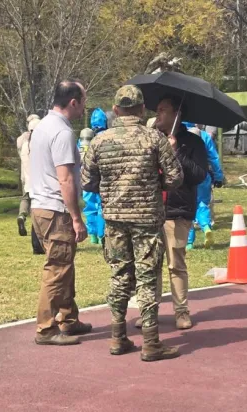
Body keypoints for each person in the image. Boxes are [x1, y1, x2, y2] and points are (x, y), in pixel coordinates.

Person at [82, 85, 183, 361]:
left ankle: (117, 336)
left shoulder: (99, 141)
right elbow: (175, 177)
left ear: (115, 110)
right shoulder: (154, 138)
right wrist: (154, 183)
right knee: (147, 278)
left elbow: (87, 181)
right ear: (141, 110)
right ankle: (151, 343)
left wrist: (110, 187)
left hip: (114, 220)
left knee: (119, 275)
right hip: (147, 219)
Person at [29, 80, 92, 345]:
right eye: (83, 103)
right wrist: (76, 218)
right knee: (57, 269)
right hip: (56, 210)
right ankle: (46, 328)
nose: (84, 109)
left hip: (40, 207)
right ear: (73, 102)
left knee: (64, 265)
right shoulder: (63, 133)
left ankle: (68, 318)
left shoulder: (43, 126)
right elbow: (65, 179)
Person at [139, 95, 208, 330]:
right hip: (151, 211)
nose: (157, 114)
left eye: (162, 110)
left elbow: (199, 174)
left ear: (176, 113)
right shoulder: (151, 139)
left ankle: (181, 311)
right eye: (156, 109)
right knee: (150, 265)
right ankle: (149, 311)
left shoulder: (192, 143)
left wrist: (176, 152)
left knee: (175, 264)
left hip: (177, 211)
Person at [184, 123, 224, 250]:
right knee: (202, 204)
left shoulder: (179, 134)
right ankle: (206, 226)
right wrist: (218, 177)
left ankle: (189, 242)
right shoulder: (205, 136)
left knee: (187, 207)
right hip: (203, 175)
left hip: (186, 176)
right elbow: (213, 157)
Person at [81, 108, 108, 244]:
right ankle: (102, 234)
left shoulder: (84, 137)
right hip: (102, 177)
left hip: (86, 177)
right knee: (102, 206)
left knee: (89, 206)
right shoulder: (107, 136)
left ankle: (92, 236)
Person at [17, 114, 41, 236]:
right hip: (38, 178)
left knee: (25, 198)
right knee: (37, 202)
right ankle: (36, 226)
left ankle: (22, 215)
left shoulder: (22, 141)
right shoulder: (39, 143)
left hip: (25, 175)